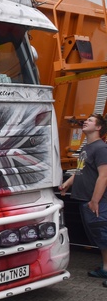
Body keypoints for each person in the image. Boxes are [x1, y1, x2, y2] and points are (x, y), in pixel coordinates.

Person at [60, 113, 107, 288]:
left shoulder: (101, 148)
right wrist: (66, 184)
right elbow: (79, 171)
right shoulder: (86, 148)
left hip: (96, 201)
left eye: (90, 120)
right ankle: (105, 268)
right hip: (85, 200)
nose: (85, 121)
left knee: (104, 234)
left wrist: (95, 200)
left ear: (98, 127)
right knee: (100, 237)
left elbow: (104, 176)